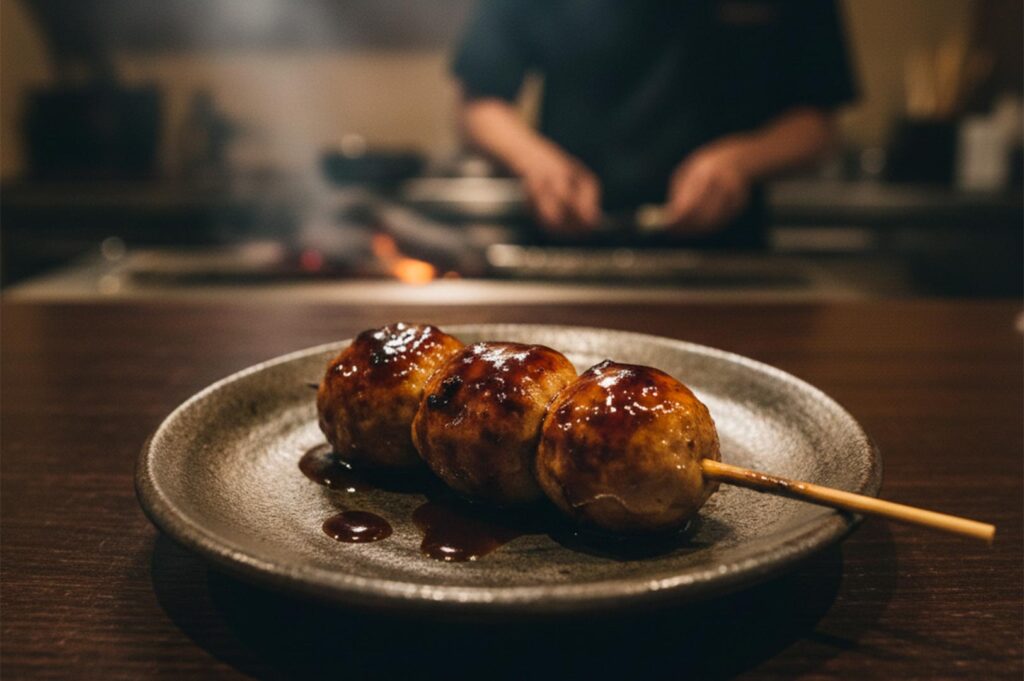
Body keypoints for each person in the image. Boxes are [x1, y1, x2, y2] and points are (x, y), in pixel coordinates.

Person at [452, 1, 857, 248]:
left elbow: (817, 122)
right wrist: (535, 162)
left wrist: (741, 161)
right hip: (567, 245)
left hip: (724, 262)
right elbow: (478, 104)